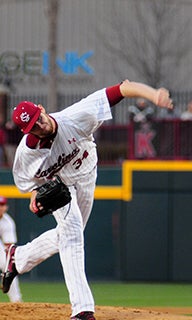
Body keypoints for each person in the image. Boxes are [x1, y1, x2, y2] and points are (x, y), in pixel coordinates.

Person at [1, 79, 173, 319]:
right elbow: (26, 182)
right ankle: (82, 309)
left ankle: (19, 258)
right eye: (33, 126)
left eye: (38, 118)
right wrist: (34, 194)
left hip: (87, 175)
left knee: (73, 232)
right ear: (26, 131)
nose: (40, 125)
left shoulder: (76, 116)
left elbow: (123, 88)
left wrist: (154, 95)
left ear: (41, 108)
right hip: (61, 186)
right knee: (72, 237)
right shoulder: (27, 153)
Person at [0, 196, 22, 302]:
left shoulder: (7, 222)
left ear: (6, 207)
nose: (0, 207)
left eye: (2, 205)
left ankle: (16, 301)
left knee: (8, 266)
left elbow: (8, 248)